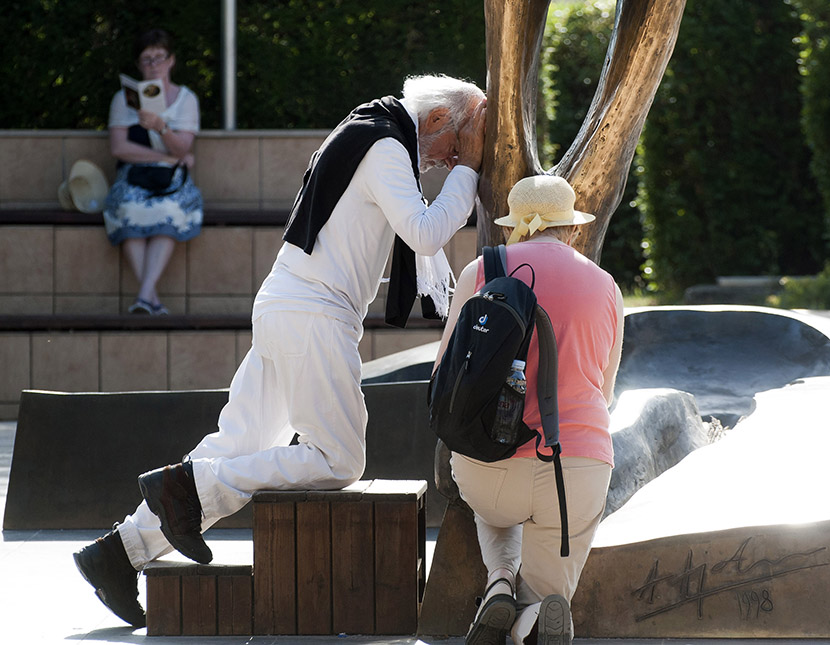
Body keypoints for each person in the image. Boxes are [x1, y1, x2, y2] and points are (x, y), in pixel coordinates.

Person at [73, 74, 486, 627]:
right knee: (338, 459)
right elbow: (426, 232)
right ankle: (187, 486)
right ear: (436, 120)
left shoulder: (369, 128)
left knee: (237, 443)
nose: (444, 160)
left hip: (289, 303)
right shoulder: (387, 145)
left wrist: (461, 159)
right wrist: (470, 168)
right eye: (452, 145)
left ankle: (115, 554)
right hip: (313, 313)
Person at [435, 175, 624, 645]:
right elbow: (605, 391)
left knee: (492, 512)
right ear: (572, 229)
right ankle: (533, 615)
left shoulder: (481, 271)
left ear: (514, 228)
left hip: (491, 464)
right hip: (576, 469)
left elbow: (445, 374)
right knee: (547, 585)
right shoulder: (607, 287)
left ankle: (498, 580)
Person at [102, 28, 203, 315]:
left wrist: (160, 127)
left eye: (159, 57)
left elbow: (183, 147)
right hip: (135, 175)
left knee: (169, 208)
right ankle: (151, 299)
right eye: (147, 59)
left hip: (171, 180)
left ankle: (144, 297)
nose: (153, 64)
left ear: (171, 60)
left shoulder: (186, 99)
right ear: (138, 64)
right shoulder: (123, 100)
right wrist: (167, 157)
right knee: (128, 207)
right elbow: (119, 148)